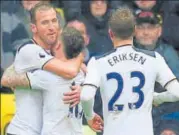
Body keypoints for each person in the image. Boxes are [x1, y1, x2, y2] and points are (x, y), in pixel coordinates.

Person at [77, 6, 179, 135]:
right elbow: (177, 92)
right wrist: (158, 98)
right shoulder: (154, 58)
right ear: (134, 31)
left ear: (110, 33)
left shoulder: (97, 62)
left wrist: (90, 116)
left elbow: (86, 96)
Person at [1, 27, 102, 134]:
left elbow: (6, 80)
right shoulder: (83, 74)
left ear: (58, 45)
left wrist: (25, 56)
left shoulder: (47, 76)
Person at [2, 3, 83, 135]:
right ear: (34, 28)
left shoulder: (55, 52)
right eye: (45, 23)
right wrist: (80, 56)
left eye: (54, 21)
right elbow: (71, 71)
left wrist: (82, 88)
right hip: (23, 131)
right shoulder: (29, 50)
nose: (51, 27)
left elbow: (81, 72)